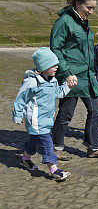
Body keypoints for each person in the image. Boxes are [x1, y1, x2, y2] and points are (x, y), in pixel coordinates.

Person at [49, 0, 98, 159]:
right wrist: (66, 73)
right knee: (66, 113)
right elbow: (56, 49)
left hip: (88, 76)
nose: (91, 12)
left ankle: (93, 147)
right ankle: (56, 148)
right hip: (71, 76)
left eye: (93, 8)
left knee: (97, 109)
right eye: (89, 8)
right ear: (78, 4)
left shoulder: (83, 22)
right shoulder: (64, 22)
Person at [12, 47, 72, 181]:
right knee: (47, 143)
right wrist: (17, 115)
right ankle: (54, 170)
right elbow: (20, 98)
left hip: (46, 119)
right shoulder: (32, 82)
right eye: (53, 65)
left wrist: (68, 86)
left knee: (33, 141)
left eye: (57, 64)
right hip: (35, 120)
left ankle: (25, 158)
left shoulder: (53, 80)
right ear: (44, 66)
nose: (57, 67)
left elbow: (58, 93)